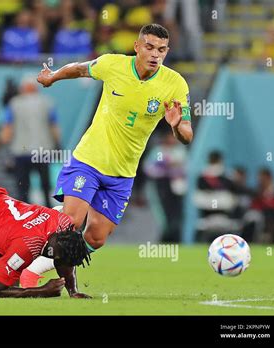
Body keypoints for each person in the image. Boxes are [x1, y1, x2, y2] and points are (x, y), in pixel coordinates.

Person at [21, 23, 193, 287]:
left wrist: (175, 126)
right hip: (89, 160)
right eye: (149, 47)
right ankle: (32, 260)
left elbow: (186, 135)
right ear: (137, 47)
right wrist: (53, 76)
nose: (155, 54)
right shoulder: (113, 64)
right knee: (72, 222)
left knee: (97, 237)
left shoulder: (175, 84)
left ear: (166, 51)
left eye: (161, 49)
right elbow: (79, 68)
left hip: (123, 173)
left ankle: (44, 252)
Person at [2, 75, 61, 208]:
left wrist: (6, 145)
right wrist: (58, 144)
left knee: (23, 187)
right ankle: (48, 212)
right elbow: (54, 127)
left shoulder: (14, 104)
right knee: (45, 185)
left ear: (23, 88)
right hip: (43, 151)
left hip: (21, 152)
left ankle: (24, 213)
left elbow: (7, 130)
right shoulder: (47, 102)